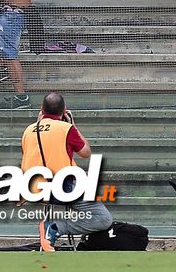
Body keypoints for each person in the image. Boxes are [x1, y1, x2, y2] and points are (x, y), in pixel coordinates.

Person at [23, 92, 112, 252]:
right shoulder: (66, 129)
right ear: (64, 111)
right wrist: (73, 125)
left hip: (34, 190)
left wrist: (39, 122)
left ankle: (52, 227)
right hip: (62, 189)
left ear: (41, 110)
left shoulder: (28, 131)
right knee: (103, 219)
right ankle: (55, 227)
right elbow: (86, 153)